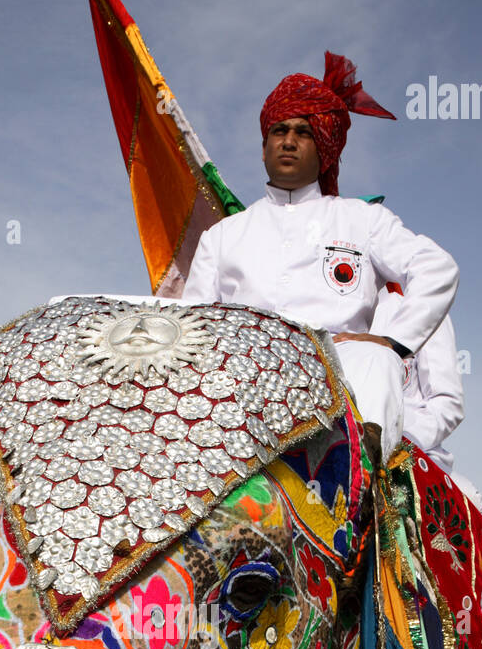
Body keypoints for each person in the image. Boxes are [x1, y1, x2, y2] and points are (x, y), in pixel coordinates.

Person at [181, 54, 459, 459]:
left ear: (325, 149)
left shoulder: (361, 221)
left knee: (375, 359)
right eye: (279, 130)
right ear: (264, 148)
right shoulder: (223, 236)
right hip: (243, 377)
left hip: (339, 370)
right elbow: (193, 326)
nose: (288, 141)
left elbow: (437, 268)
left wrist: (392, 341)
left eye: (303, 132)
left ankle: (356, 475)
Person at [372, 282, 482, 515]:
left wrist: (388, 440)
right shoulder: (321, 308)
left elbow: (448, 405)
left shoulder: (419, 306)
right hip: (333, 448)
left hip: (410, 454)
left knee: (470, 506)